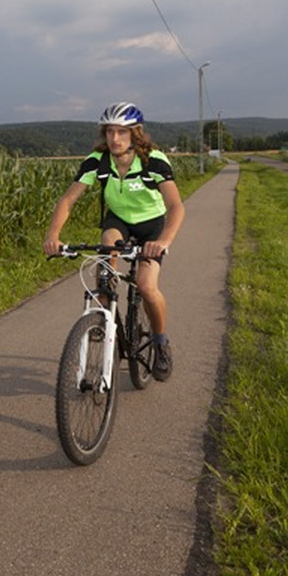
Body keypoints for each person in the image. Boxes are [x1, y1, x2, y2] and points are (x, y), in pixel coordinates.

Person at [42, 101, 185, 380]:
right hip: (118, 221)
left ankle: (160, 342)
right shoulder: (97, 161)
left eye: (122, 132)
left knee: (145, 286)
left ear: (135, 133)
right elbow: (69, 199)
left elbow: (176, 206)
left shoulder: (152, 160)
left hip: (151, 227)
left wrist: (164, 241)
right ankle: (104, 314)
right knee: (107, 247)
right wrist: (53, 236)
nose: (115, 139)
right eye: (109, 132)